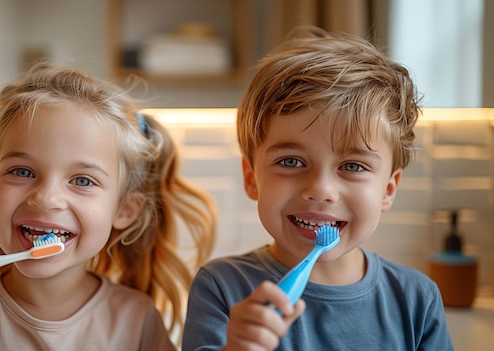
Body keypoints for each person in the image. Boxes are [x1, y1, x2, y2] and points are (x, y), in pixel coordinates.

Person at [0, 63, 217, 350]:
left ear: (125, 210)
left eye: (82, 180)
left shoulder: (136, 321)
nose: (46, 198)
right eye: (22, 172)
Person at [182, 27, 453, 351]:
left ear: (388, 190)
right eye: (292, 162)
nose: (321, 190)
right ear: (252, 178)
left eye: (352, 166)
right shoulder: (222, 288)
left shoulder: (416, 299)